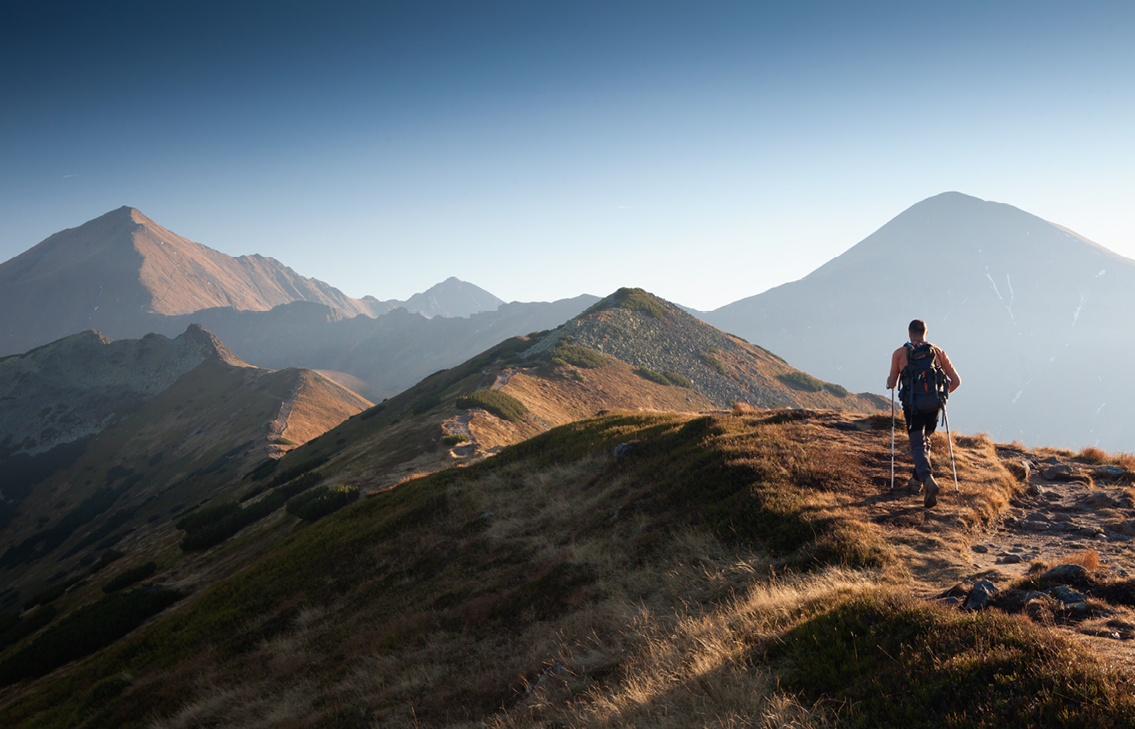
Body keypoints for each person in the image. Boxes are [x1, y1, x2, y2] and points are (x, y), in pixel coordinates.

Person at [886, 319, 960, 508]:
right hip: (934, 406)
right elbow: (956, 381)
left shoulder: (900, 353)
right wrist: (940, 396)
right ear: (926, 333)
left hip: (913, 407)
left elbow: (893, 383)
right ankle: (916, 481)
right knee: (925, 441)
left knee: (918, 444)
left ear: (910, 333)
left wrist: (890, 382)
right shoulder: (937, 352)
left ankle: (927, 479)